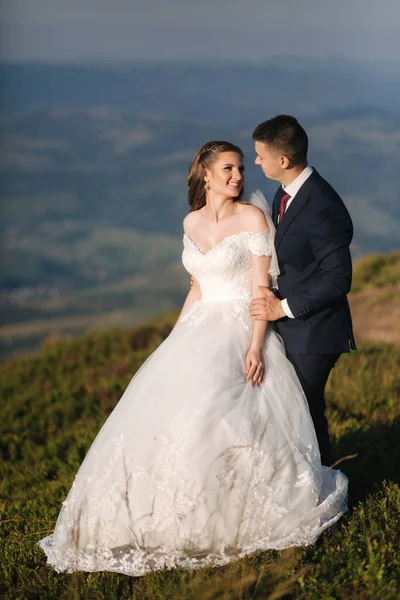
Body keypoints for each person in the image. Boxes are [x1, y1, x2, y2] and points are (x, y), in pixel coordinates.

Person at [38, 141, 348, 577]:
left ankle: (238, 509)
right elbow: (198, 286)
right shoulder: (190, 221)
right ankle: (166, 513)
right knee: (172, 419)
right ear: (205, 174)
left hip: (241, 326)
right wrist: (176, 335)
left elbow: (262, 292)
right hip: (199, 326)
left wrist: (256, 346)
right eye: (228, 168)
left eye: (241, 168)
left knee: (222, 417)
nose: (238, 176)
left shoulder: (252, 218)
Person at [250, 115, 356, 466]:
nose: (255, 162)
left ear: (283, 161)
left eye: (260, 156)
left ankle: (323, 497)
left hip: (315, 332)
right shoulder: (285, 193)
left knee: (307, 416)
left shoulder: (323, 206)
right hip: (291, 327)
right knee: (289, 415)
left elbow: (338, 278)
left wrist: (283, 309)